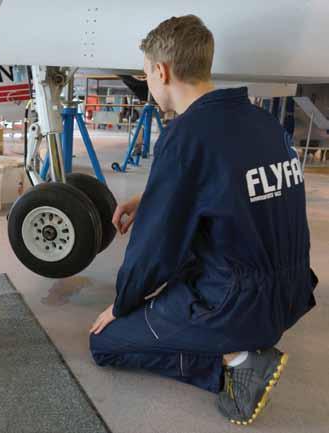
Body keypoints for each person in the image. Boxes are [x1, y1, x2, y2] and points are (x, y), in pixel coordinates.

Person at [89, 15, 317, 424]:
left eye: (146, 75)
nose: (148, 85)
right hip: (291, 291)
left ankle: (236, 361)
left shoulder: (187, 135)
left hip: (236, 302)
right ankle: (240, 343)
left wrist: (123, 304)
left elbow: (154, 250)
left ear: (161, 71)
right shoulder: (261, 123)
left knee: (105, 345)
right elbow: (229, 188)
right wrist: (153, 196)